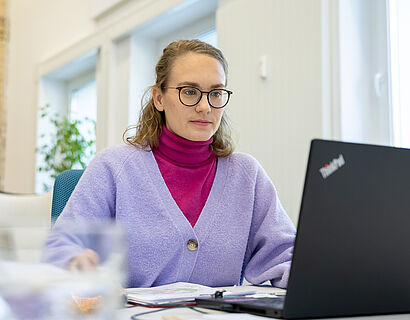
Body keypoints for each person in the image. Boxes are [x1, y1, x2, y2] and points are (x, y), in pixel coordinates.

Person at [42, 39, 296, 289]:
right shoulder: (114, 167)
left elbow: (285, 256)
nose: (205, 107)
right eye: (189, 92)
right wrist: (76, 265)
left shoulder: (247, 175)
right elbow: (60, 248)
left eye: (216, 93)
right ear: (159, 98)